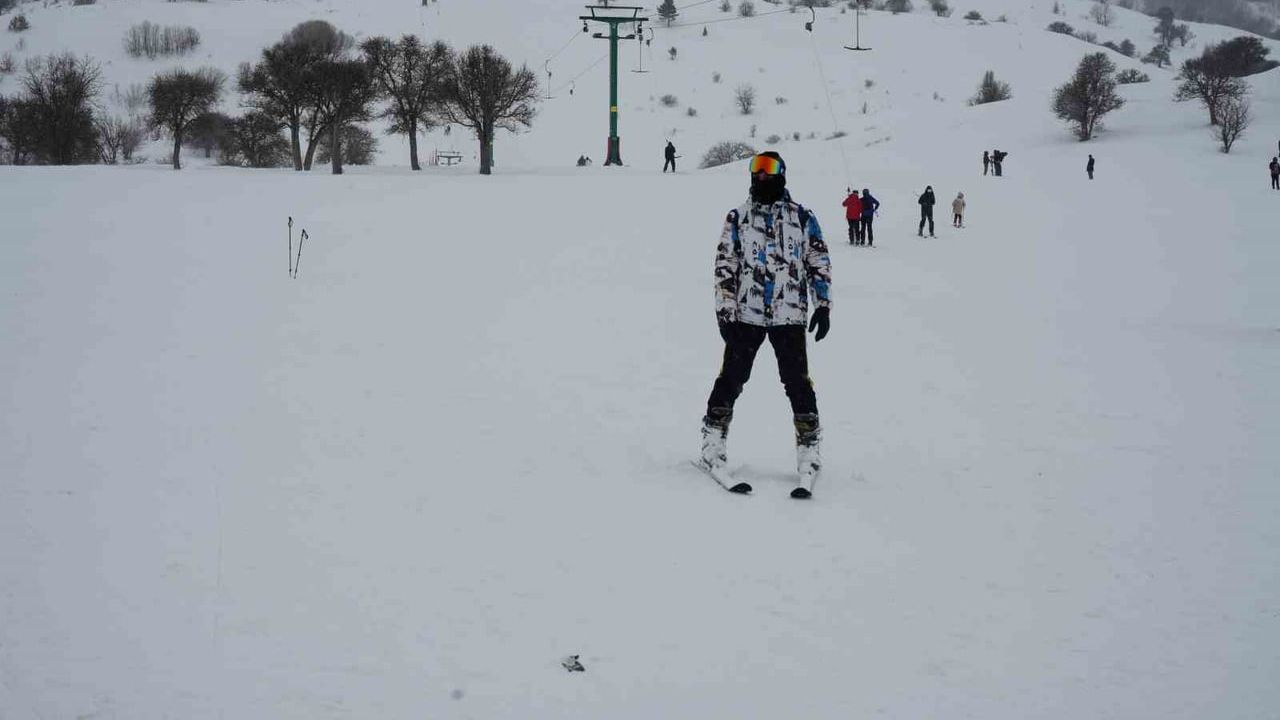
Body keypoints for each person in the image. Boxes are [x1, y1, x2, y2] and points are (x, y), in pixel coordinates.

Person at [700, 151, 832, 497]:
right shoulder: (738, 218)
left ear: (782, 174)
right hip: (748, 313)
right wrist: (725, 311)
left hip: (789, 314)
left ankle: (809, 446)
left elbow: (817, 258)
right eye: (755, 169)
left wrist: (823, 303)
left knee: (797, 381)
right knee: (732, 378)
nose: (761, 176)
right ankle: (713, 439)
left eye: (768, 169)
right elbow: (725, 266)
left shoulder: (802, 218)